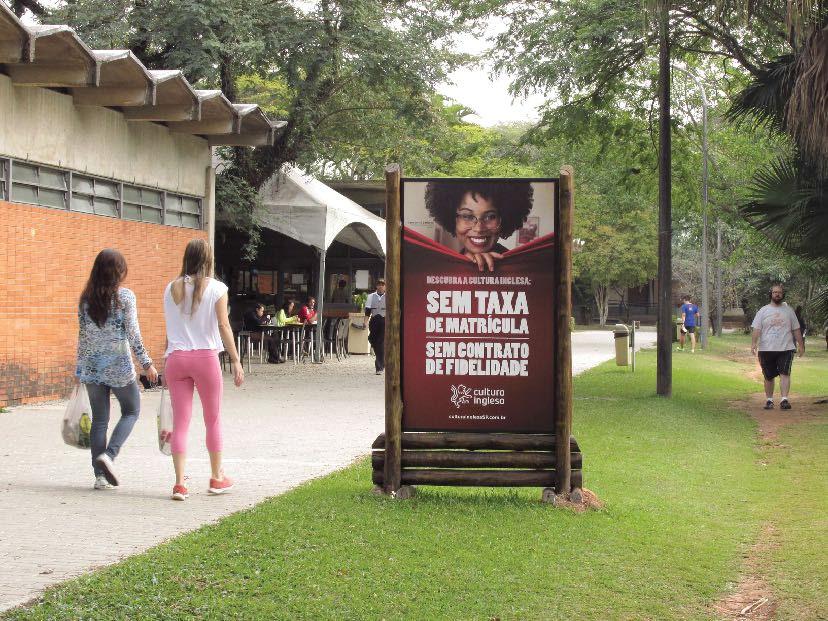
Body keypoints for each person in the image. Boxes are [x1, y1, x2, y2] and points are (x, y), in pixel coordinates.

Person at [163, 239, 244, 501]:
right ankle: (216, 478)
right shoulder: (218, 288)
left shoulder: (170, 289)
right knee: (213, 419)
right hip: (205, 358)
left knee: (181, 422)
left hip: (176, 359)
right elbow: (223, 325)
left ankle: (179, 484)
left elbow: (170, 327)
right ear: (208, 260)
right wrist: (236, 359)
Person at [76, 249, 158, 490]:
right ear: (118, 272)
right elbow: (133, 334)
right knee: (132, 410)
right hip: (118, 366)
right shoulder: (125, 297)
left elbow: (83, 338)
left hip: (92, 367)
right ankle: (109, 456)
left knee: (100, 420)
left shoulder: (85, 300)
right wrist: (147, 363)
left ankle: (99, 477)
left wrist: (80, 370)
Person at [424, 180, 533, 272]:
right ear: (453, 220)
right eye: (467, 216)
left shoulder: (523, 271)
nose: (479, 228)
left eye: (490, 217)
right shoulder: (442, 272)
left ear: (505, 218)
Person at [751, 284, 805, 410]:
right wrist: (753, 344)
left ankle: (784, 399)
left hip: (786, 348)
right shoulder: (763, 311)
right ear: (771, 294)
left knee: (785, 373)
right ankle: (769, 400)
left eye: (779, 292)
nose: (777, 294)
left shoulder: (789, 311)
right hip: (766, 348)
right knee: (768, 376)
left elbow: (796, 329)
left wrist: (801, 345)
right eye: (775, 292)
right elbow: (757, 328)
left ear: (782, 294)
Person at [365, 278, 386, 374]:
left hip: (384, 321)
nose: (381, 286)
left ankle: (379, 367)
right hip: (374, 320)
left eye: (382, 284)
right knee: (372, 340)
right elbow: (367, 311)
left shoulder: (388, 296)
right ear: (376, 286)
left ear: (385, 286)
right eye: (379, 284)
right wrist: (365, 322)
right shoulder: (371, 296)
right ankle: (381, 360)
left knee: (380, 343)